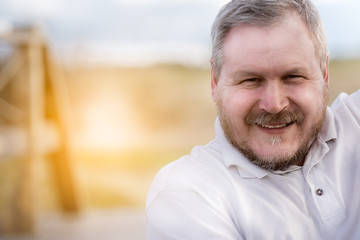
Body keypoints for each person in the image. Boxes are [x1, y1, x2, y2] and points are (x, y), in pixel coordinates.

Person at [146, 0, 360, 239]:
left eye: (293, 76)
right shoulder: (187, 192)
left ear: (324, 74)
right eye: (251, 80)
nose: (274, 104)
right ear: (215, 82)